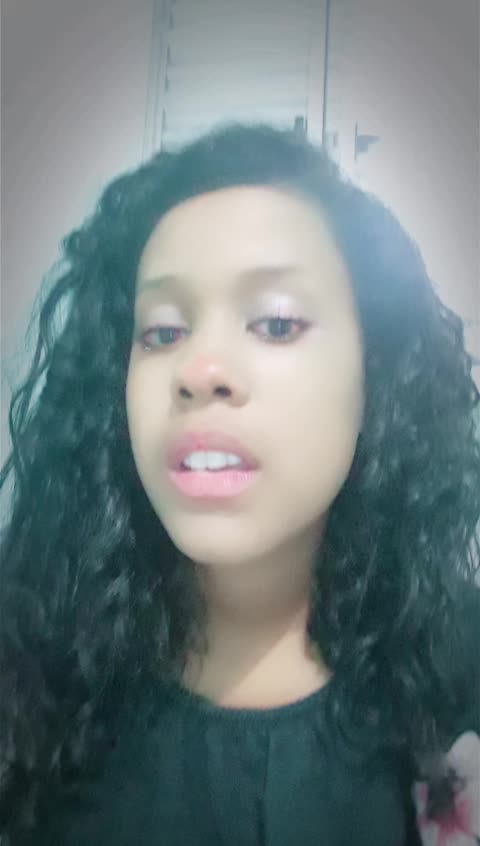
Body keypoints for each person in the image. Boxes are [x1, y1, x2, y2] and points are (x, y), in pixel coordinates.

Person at [0, 122, 479, 846]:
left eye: (277, 323)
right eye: (163, 332)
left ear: (376, 376)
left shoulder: (461, 670)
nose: (199, 371)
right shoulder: (29, 664)